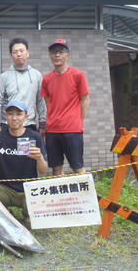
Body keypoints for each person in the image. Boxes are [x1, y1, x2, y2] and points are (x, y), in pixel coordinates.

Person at [0, 100, 47, 227]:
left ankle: (27, 212)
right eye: (10, 114)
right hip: (6, 189)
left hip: (29, 189)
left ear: (26, 117)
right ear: (5, 116)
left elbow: (43, 170)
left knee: (34, 223)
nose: (14, 118)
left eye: (19, 114)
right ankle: (6, 212)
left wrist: (39, 158)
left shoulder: (35, 137)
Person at [41, 38, 90, 176]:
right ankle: (60, 198)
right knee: (56, 168)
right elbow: (48, 102)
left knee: (77, 167)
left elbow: (85, 100)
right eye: (53, 52)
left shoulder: (78, 75)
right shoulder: (46, 79)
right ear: (50, 55)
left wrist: (78, 120)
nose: (57, 55)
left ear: (67, 55)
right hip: (52, 130)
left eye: (61, 51)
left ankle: (85, 197)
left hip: (72, 129)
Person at [0, 38, 46, 134]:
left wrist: (42, 123)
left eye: (21, 51)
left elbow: (40, 101)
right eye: (15, 52)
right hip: (8, 124)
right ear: (11, 55)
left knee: (30, 150)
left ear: (28, 53)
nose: (19, 54)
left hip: (29, 124)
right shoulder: (4, 77)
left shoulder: (36, 75)